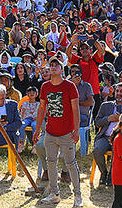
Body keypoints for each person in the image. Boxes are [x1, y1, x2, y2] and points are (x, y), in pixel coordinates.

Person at [33, 57, 82, 206]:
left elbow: (76, 109)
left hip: (67, 133)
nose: (53, 67)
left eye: (56, 65)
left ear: (62, 69)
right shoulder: (45, 87)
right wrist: (37, 130)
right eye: (51, 65)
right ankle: (54, 194)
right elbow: (41, 109)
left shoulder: (70, 86)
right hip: (50, 133)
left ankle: (77, 195)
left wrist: (76, 130)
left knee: (71, 163)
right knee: (51, 163)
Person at [93, 82, 122, 186]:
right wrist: (109, 118)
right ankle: (104, 172)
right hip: (105, 137)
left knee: (117, 151)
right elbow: (97, 122)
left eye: (121, 91)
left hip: (121, 138)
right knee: (97, 150)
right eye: (117, 91)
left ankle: (111, 176)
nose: (118, 93)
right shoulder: (106, 105)